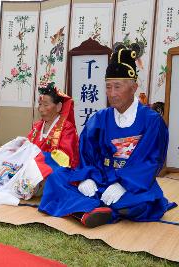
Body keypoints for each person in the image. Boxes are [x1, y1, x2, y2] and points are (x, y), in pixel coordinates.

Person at [38, 48, 177, 228]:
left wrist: (124, 185)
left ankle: (90, 209)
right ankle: (101, 209)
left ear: (133, 87)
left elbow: (151, 162)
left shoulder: (151, 121)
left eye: (117, 87)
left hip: (132, 184)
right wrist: (85, 178)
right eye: (108, 87)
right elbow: (86, 154)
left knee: (142, 201)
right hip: (100, 179)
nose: (111, 93)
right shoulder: (99, 119)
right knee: (56, 177)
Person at [0, 82, 79, 206]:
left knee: (45, 176)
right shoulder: (38, 126)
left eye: (46, 105)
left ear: (58, 107)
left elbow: (66, 159)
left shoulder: (67, 128)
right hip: (32, 165)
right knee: (5, 156)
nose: (41, 109)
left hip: (51, 169)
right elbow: (28, 149)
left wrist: (37, 158)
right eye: (40, 104)